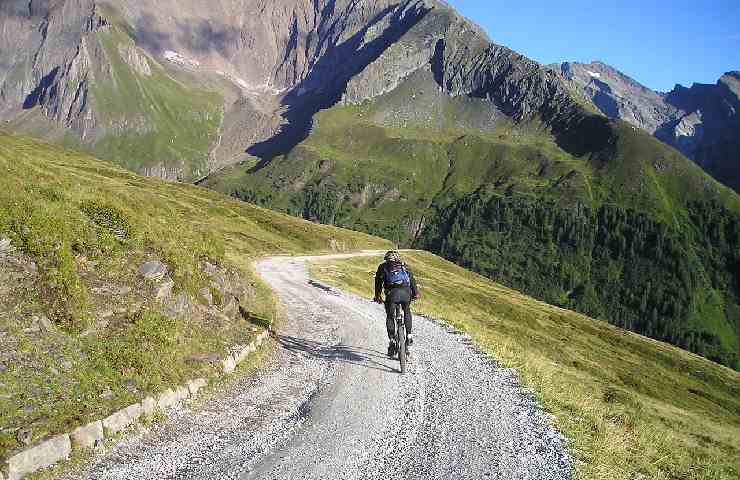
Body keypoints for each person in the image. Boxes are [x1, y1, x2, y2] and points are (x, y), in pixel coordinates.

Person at [373, 250, 420, 357]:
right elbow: (412, 280)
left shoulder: (383, 267)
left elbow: (378, 283)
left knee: (390, 316)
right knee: (407, 310)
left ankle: (392, 340)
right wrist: (416, 293)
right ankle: (409, 335)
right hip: (406, 292)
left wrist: (378, 296)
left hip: (392, 294)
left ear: (387, 259)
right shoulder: (404, 266)